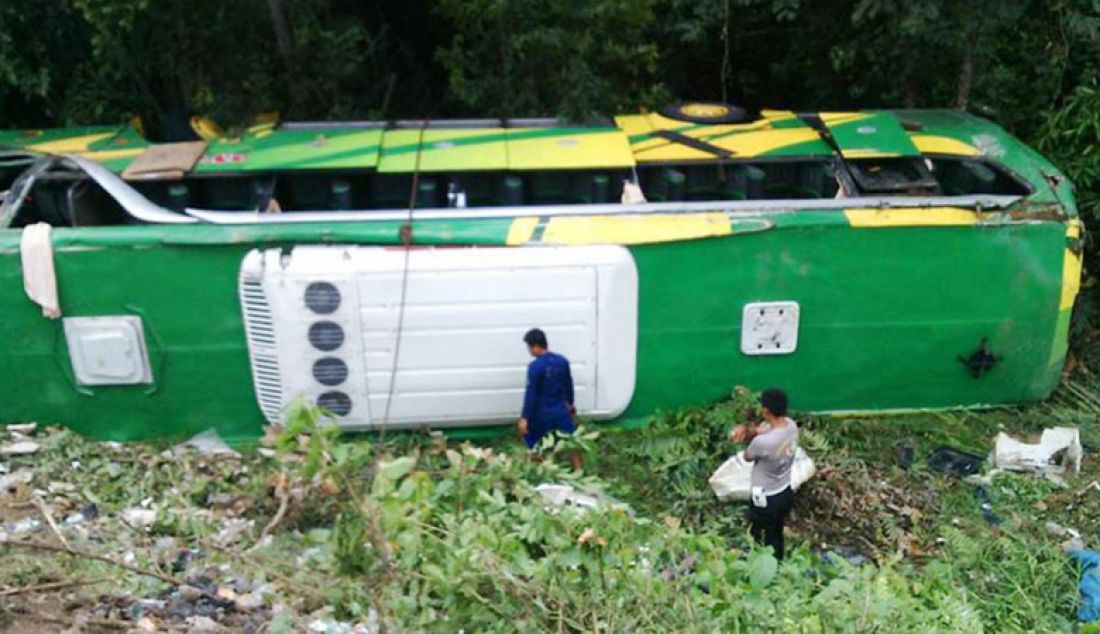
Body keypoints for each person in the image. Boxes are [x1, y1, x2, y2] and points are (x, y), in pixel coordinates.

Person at [729, 388, 799, 561]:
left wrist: (741, 437)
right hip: (784, 492)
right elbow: (763, 429)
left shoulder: (763, 443)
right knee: (776, 532)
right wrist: (747, 430)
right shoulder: (791, 426)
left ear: (766, 410)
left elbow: (747, 457)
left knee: (759, 535)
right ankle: (778, 562)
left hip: (765, 499)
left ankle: (763, 568)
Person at [516, 328, 581, 470]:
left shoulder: (535, 367)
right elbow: (568, 385)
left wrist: (524, 418)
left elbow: (531, 394)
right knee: (572, 440)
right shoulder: (562, 361)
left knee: (533, 441)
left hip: (542, 412)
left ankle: (542, 468)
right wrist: (570, 404)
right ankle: (578, 469)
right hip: (560, 409)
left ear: (533, 346)